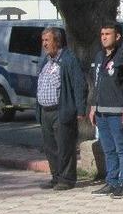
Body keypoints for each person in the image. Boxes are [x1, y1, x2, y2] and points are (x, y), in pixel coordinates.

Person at [36, 27, 87, 191]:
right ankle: (56, 176)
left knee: (65, 146)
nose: (44, 44)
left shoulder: (68, 60)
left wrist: (80, 110)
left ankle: (66, 179)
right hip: (45, 111)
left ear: (57, 41)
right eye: (43, 40)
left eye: (47, 40)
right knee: (50, 147)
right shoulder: (46, 61)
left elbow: (79, 85)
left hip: (61, 110)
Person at [89, 22, 123, 198]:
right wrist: (93, 106)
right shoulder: (99, 56)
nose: (104, 37)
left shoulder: (122, 56)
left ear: (117, 36)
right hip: (101, 111)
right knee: (108, 149)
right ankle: (111, 181)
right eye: (102, 34)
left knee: (121, 148)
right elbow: (96, 83)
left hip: (117, 111)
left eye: (108, 34)